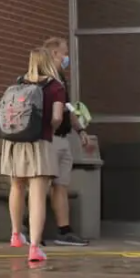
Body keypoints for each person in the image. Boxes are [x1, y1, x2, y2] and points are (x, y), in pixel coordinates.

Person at [0, 46, 69, 266]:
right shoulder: (55, 86)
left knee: (16, 187)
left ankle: (16, 233)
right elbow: (57, 117)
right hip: (39, 142)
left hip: (13, 142)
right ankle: (35, 248)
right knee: (37, 194)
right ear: (48, 61)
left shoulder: (18, 83)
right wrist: (50, 124)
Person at [39, 38, 88, 247]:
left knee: (61, 185)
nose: (67, 57)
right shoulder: (43, 79)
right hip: (48, 139)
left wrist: (80, 130)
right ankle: (34, 231)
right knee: (41, 186)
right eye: (64, 53)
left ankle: (64, 230)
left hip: (63, 139)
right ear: (54, 54)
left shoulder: (61, 80)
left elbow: (68, 108)